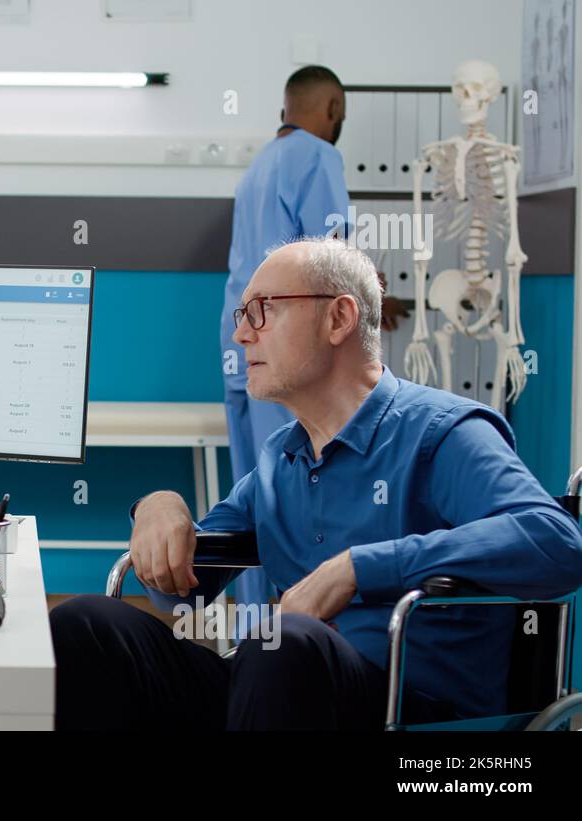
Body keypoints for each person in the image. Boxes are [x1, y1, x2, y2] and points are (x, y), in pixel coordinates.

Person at [50, 237, 582, 731]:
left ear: (339, 317)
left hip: (408, 709)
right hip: (278, 691)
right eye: (242, 314)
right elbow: (182, 594)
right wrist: (157, 508)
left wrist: (359, 568)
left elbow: (556, 541)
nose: (241, 334)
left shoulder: (441, 433)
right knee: (88, 625)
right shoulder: (281, 456)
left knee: (283, 642)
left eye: (264, 309)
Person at [216, 65, 351, 632]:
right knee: (303, 491)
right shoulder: (319, 156)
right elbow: (332, 255)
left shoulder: (258, 166)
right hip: (291, 342)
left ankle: (252, 635)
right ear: (333, 109)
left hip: (239, 333)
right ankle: (303, 637)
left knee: (252, 493)